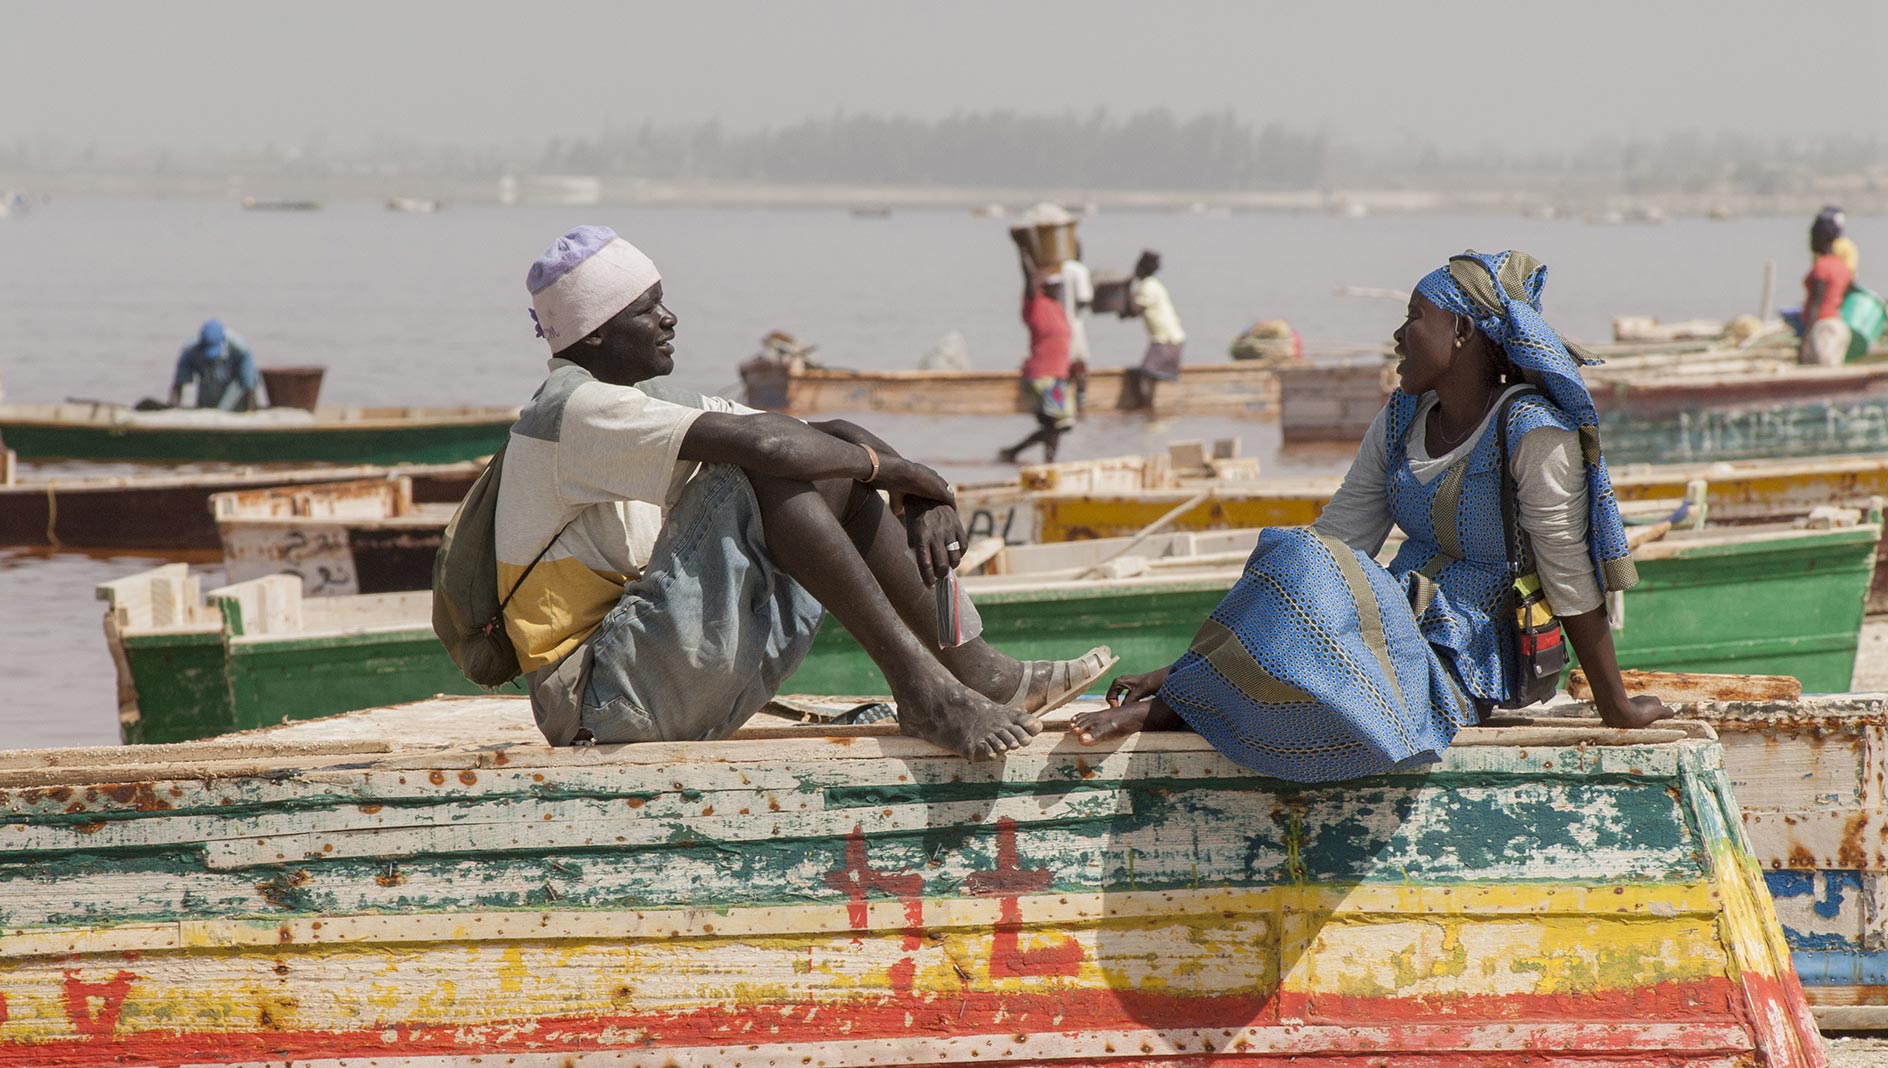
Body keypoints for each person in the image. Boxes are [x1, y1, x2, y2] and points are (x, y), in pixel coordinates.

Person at [498, 226, 1113, 761]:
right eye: (646, 309)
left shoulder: (638, 404)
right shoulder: (573, 409)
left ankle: (980, 674)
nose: (669, 318)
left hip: (647, 685)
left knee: (812, 456)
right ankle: (925, 693)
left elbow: (813, 438)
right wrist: (903, 477)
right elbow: (769, 451)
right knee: (760, 465)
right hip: (599, 699)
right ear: (596, 334)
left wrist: (918, 484)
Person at [1072, 250, 1672, 782]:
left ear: (1462, 330)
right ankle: (1186, 692)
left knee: (1306, 575)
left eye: (1414, 317)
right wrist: (1190, 664)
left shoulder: (1532, 430)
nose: (1397, 334)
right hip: (1389, 623)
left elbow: (1569, 576)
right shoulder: (1402, 417)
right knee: (1293, 555)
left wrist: (1615, 706)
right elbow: (1334, 543)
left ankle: (1173, 706)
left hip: (1463, 652)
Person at [998, 246, 1076, 463]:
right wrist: (1023, 249)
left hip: (1058, 376)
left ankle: (1024, 456)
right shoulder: (1035, 305)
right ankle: (1024, 456)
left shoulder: (1057, 308)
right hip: (1043, 376)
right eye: (1055, 285)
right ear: (1045, 286)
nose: (1059, 289)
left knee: (1060, 425)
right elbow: (1029, 276)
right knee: (1056, 423)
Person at [1121, 250, 1184, 410]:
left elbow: (1135, 310)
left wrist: (1126, 289)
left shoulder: (1147, 286)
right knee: (1150, 375)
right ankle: (1149, 410)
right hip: (1171, 338)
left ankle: (1147, 411)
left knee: (1145, 375)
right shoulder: (1153, 285)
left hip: (1165, 338)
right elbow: (1133, 312)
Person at [1799, 209, 1856, 366]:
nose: (1810, 241)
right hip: (1839, 327)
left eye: (1813, 237)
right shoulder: (1841, 266)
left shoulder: (1821, 267)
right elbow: (1850, 290)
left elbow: (1816, 305)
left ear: (1821, 239)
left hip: (1824, 328)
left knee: (1822, 374)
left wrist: (1804, 340)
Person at [167, 319, 259, 410]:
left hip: (233, 390)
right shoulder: (190, 350)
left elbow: (249, 385)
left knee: (229, 404)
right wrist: (173, 410)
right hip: (207, 389)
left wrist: (250, 412)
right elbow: (179, 383)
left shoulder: (240, 349)